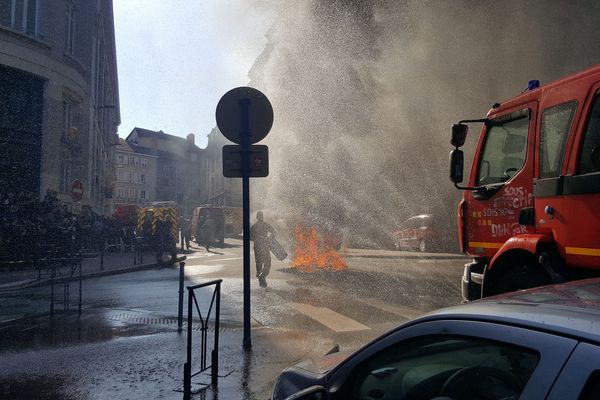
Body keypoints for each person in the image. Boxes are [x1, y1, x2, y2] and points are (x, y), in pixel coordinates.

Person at [250, 211, 276, 287]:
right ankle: (262, 277)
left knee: (259, 264)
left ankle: (261, 278)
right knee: (266, 263)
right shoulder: (265, 225)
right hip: (264, 246)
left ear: (257, 217)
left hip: (259, 246)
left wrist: (256, 238)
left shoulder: (254, 226)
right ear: (261, 217)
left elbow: (250, 237)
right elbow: (274, 233)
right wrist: (269, 238)